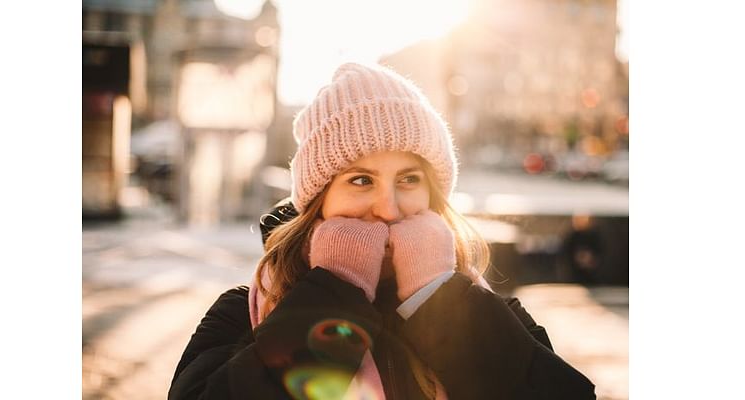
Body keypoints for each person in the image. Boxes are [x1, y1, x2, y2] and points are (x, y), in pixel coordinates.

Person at [168, 63, 595, 399]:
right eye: (360, 180)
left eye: (409, 180)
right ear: (319, 199)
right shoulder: (240, 314)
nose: (388, 209)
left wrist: (436, 300)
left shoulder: (493, 312)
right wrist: (334, 295)